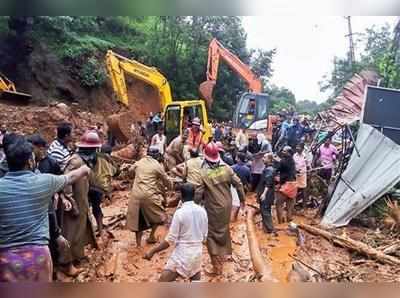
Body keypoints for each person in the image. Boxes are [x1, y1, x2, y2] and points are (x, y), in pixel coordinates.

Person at [0, 135, 90, 282]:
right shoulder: (44, 181)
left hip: (6, 258)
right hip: (38, 255)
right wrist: (85, 169)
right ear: (30, 161)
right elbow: (71, 176)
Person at [27, 133, 82, 277]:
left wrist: (64, 197)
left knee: (55, 236)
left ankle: (61, 266)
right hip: (33, 209)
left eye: (32, 149)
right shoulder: (26, 165)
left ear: (40, 148)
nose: (31, 153)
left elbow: (61, 181)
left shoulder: (50, 163)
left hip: (52, 206)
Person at [196, 142, 245, 275]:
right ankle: (223, 256)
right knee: (223, 229)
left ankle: (216, 268)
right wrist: (242, 201)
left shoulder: (203, 173)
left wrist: (194, 207)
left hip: (213, 208)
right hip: (227, 206)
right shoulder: (227, 168)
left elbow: (198, 194)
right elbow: (239, 184)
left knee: (211, 235)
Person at [143, 183, 208, 281]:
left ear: (181, 196)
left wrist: (152, 251)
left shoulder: (180, 213)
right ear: (194, 195)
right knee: (195, 278)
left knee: (162, 282)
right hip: (197, 253)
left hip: (183, 255)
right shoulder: (202, 211)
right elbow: (205, 237)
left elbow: (170, 240)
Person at [62, 131, 98, 265]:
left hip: (82, 200)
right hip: (75, 202)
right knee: (71, 231)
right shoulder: (76, 161)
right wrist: (71, 201)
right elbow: (66, 181)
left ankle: (78, 255)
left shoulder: (84, 161)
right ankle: (68, 261)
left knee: (81, 230)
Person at [126, 146, 173, 247]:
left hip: (136, 195)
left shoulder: (139, 162)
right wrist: (171, 187)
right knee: (160, 216)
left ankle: (138, 245)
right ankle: (151, 236)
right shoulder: (157, 166)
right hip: (149, 195)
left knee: (138, 221)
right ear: (157, 156)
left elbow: (130, 171)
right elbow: (166, 180)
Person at [274, 146, 298, 224]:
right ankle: (289, 221)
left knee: (278, 204)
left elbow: (276, 170)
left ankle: (281, 222)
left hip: (286, 185)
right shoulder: (292, 161)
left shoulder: (283, 161)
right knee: (290, 206)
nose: (282, 152)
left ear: (289, 153)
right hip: (294, 185)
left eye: (284, 151)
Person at [256, 153, 276, 233]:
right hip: (267, 194)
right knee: (265, 211)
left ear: (270, 160)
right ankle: (266, 229)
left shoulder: (269, 170)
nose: (263, 159)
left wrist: (264, 194)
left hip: (267, 195)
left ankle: (271, 230)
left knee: (265, 212)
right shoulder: (268, 168)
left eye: (265, 157)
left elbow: (268, 183)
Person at [293, 143, 309, 208]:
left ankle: (304, 206)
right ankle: (293, 205)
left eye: (299, 147)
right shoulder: (294, 155)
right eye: (297, 146)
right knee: (294, 190)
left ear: (302, 149)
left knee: (303, 190)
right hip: (296, 175)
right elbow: (293, 164)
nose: (297, 148)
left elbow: (308, 165)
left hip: (302, 175)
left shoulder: (305, 156)